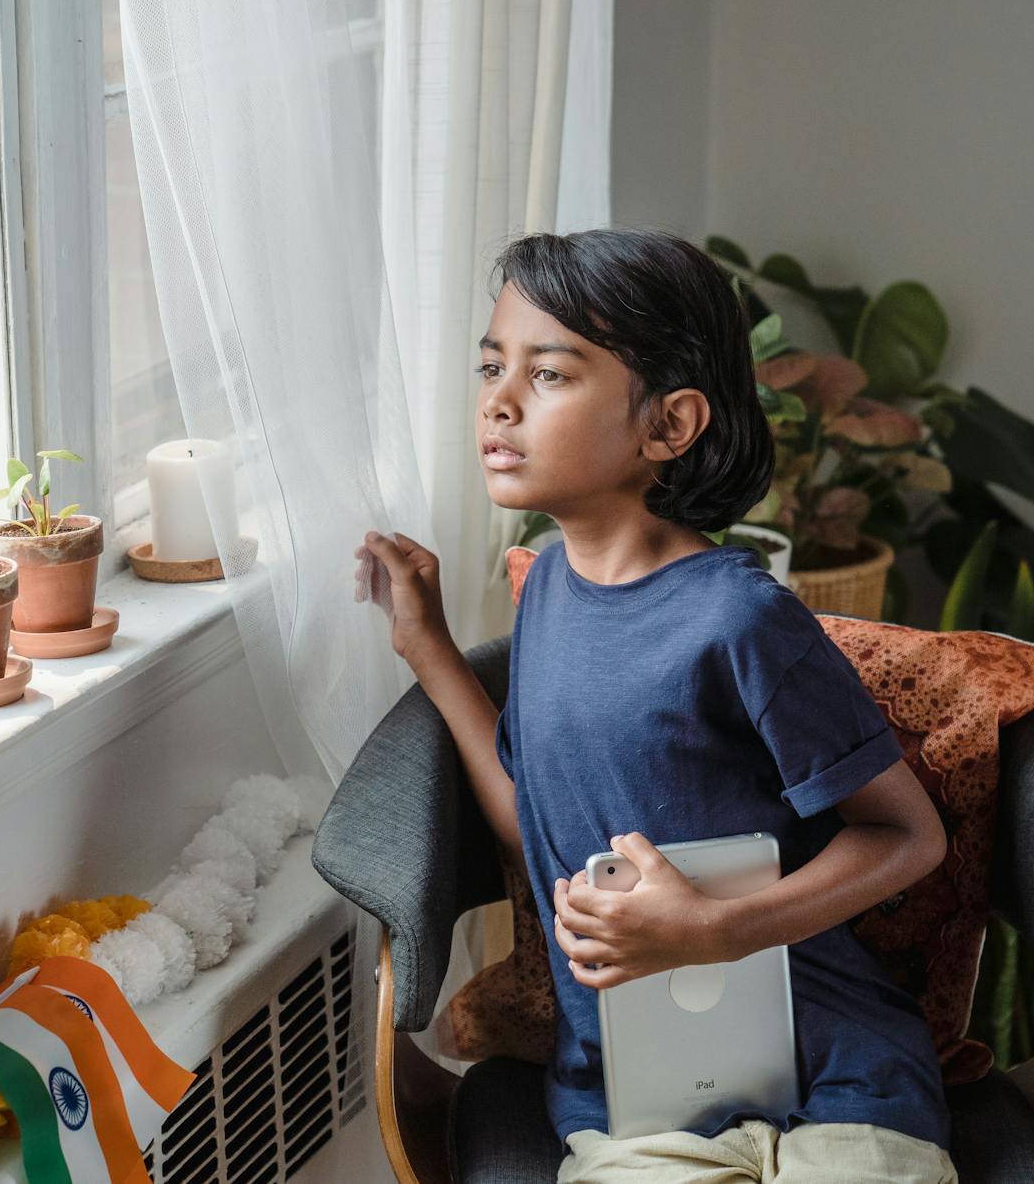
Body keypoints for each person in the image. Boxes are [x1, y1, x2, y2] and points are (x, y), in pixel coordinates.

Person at [355, 229, 958, 1183]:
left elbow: (907, 838)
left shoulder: (742, 618)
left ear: (669, 426)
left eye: (549, 375)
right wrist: (427, 646)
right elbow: (533, 823)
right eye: (491, 365)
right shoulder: (546, 592)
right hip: (633, 1104)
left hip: (842, 1078)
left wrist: (713, 932)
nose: (498, 402)